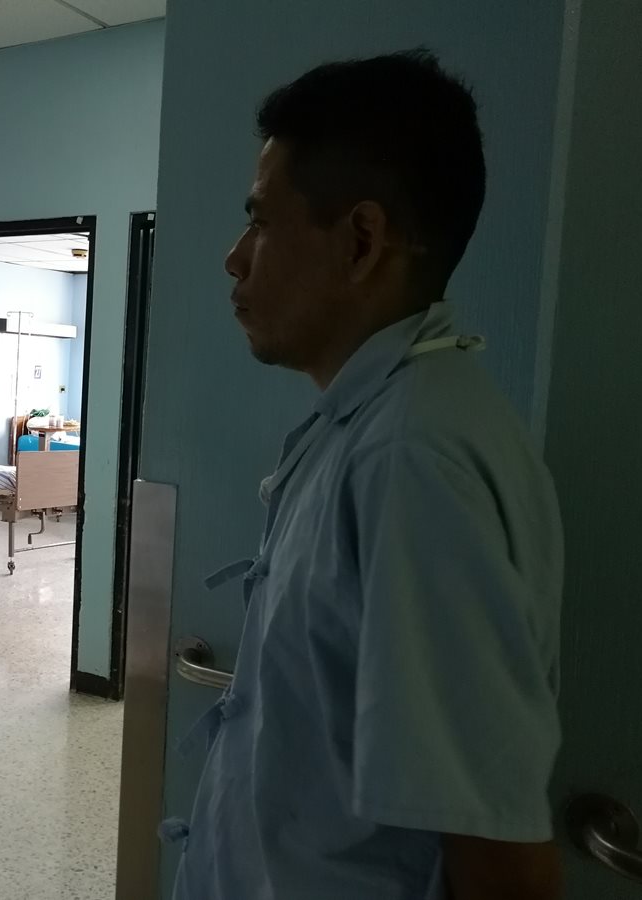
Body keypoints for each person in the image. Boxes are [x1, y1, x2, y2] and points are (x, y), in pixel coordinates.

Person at [169, 51, 564, 899]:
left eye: (261, 223)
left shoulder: (411, 459)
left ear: (360, 241)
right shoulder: (366, 423)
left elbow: (497, 855)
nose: (234, 259)